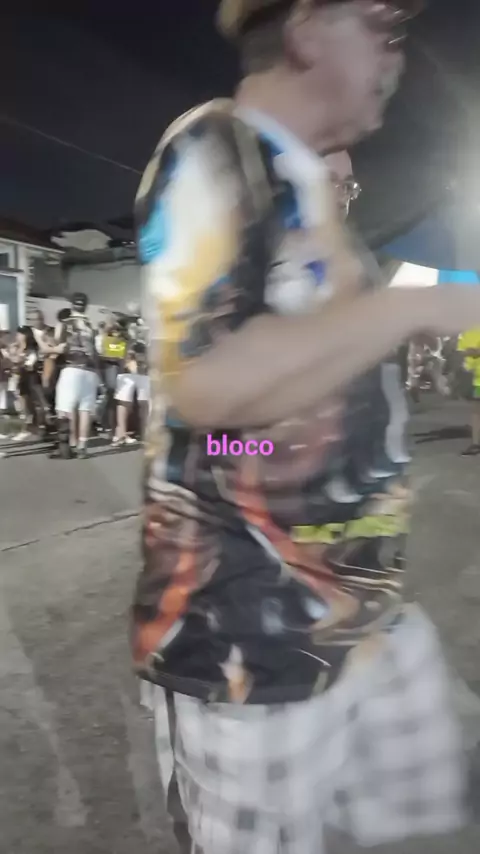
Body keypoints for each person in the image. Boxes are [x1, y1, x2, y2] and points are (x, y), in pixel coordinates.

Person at [132, 2, 480, 852]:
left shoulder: (332, 245)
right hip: (250, 643)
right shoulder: (216, 146)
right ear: (306, 28)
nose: (397, 55)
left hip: (360, 621)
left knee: (436, 795)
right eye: (383, 27)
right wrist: (411, 309)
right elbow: (208, 407)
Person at [51, 293, 98, 460]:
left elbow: (58, 344)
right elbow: (96, 350)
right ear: (85, 306)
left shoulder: (65, 323)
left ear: (72, 305)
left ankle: (69, 444)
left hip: (71, 368)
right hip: (90, 371)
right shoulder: (91, 326)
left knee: (66, 409)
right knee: (85, 410)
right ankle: (82, 447)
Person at [457, 327, 480, 456]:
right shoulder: (466, 331)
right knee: (476, 411)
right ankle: (475, 444)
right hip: (476, 378)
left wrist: (476, 351)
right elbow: (461, 351)